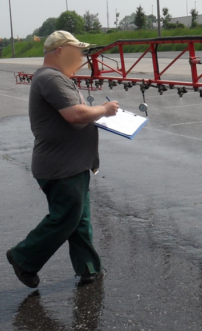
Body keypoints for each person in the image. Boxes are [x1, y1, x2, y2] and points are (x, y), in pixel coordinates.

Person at [7, 31, 119, 288]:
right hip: (61, 165)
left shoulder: (57, 77)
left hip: (71, 164)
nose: (80, 57)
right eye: (75, 51)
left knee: (79, 219)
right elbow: (75, 114)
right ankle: (23, 257)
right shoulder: (50, 78)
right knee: (66, 219)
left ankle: (89, 268)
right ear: (59, 51)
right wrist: (105, 110)